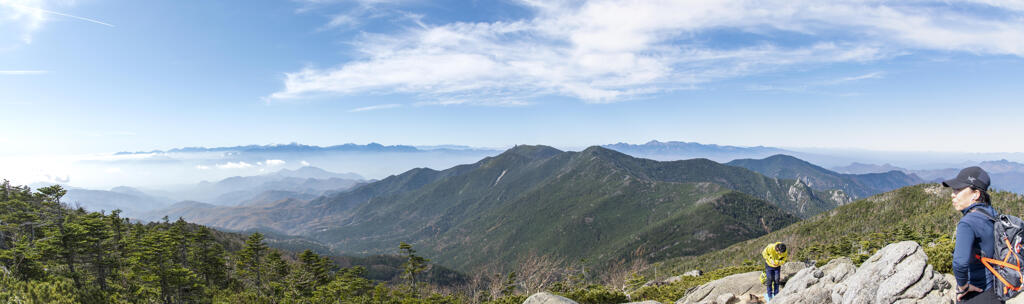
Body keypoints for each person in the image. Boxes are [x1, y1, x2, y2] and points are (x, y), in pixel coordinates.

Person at [944, 166, 1003, 304]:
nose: (953, 194)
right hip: (997, 291)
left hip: (977, 293)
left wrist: (963, 287)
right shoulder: (992, 214)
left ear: (975, 195)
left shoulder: (968, 222)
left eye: (958, 190)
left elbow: (959, 263)